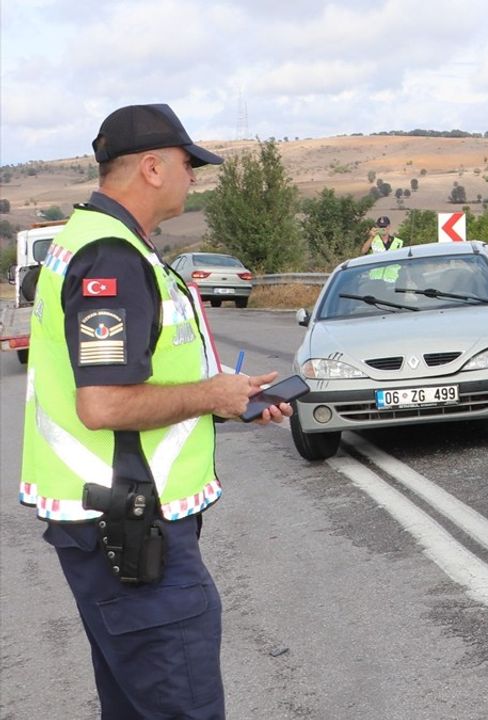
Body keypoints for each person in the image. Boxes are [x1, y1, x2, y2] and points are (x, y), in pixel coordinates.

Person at [19, 103, 293, 719]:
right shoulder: (112, 259)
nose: (193, 177)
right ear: (150, 167)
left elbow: (140, 378)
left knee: (135, 706)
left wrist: (230, 399)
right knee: (180, 706)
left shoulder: (93, 244)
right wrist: (208, 395)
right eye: (187, 164)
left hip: (110, 521)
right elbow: (105, 401)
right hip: (131, 530)